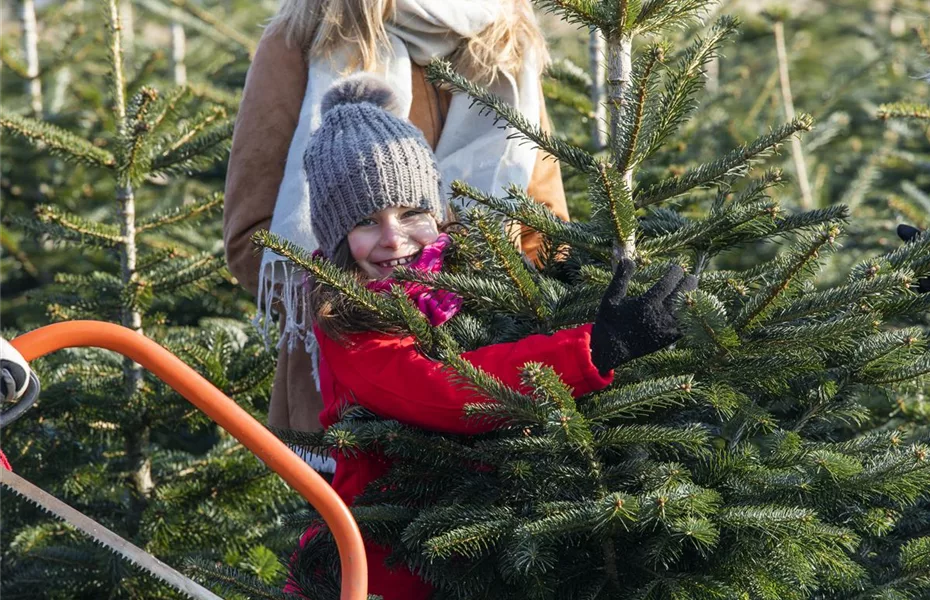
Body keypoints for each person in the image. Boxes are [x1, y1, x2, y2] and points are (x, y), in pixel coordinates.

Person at [285, 74, 697, 600]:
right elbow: (438, 390)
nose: (394, 238)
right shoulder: (347, 318)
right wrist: (593, 348)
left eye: (412, 213)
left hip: (498, 547)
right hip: (390, 559)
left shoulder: (471, 270)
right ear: (336, 235)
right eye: (366, 221)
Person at [222, 0, 572, 445]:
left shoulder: (505, 39)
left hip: (494, 379)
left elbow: (544, 226)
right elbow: (252, 237)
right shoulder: (308, 32)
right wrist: (371, 321)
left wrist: (486, 316)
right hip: (349, 411)